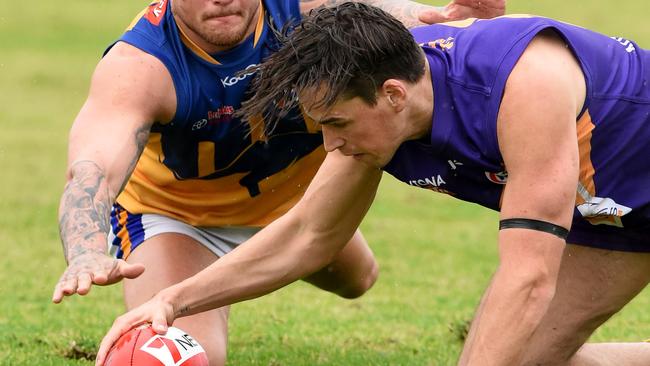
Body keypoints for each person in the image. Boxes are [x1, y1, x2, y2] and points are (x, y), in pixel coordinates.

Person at [95, 2, 650, 366]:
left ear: (392, 94)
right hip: (613, 212)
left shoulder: (524, 86)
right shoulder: (382, 112)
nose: (330, 147)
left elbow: (529, 276)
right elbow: (308, 235)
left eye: (336, 125)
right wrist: (171, 301)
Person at [51, 0, 506, 364]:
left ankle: (258, 257)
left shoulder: (305, 13)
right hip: (177, 217)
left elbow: (391, 23)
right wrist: (87, 248)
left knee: (359, 279)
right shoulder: (143, 63)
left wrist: (451, 21)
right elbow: (92, 169)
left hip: (287, 205)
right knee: (185, 353)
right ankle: (205, 278)